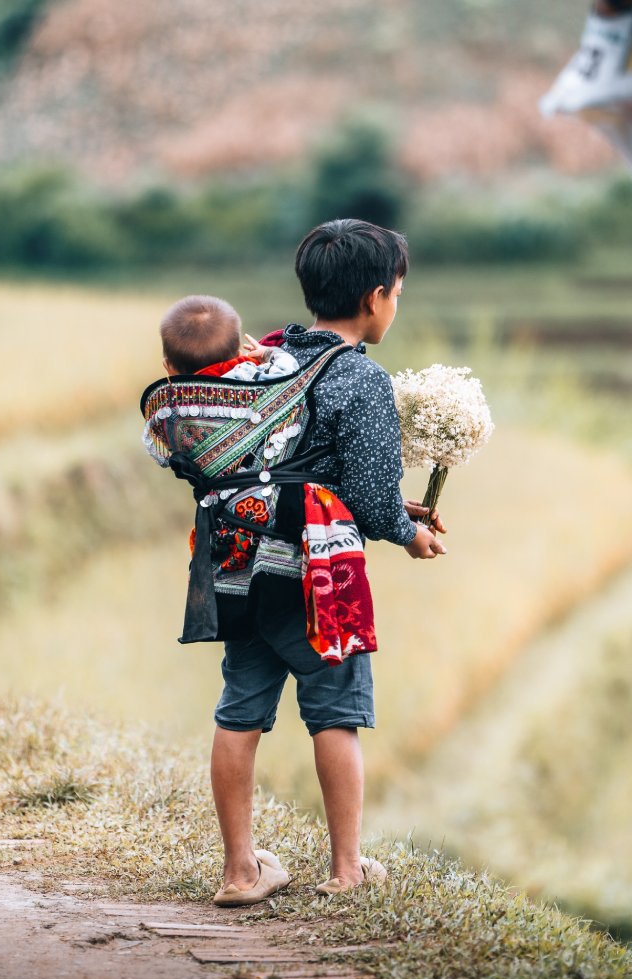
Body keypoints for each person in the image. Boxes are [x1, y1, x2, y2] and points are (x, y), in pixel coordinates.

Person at [206, 219, 447, 907]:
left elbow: (289, 464)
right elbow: (368, 499)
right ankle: (346, 870)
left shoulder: (267, 355)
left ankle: (239, 872)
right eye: (397, 293)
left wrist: (390, 508)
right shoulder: (361, 378)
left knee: (239, 709)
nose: (395, 304)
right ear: (375, 298)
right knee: (335, 713)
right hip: (317, 572)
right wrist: (408, 532)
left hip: (241, 560)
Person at [159, 293, 298, 380]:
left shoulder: (168, 404)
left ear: (168, 366)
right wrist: (268, 352)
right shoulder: (249, 374)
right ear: (238, 354)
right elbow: (289, 369)